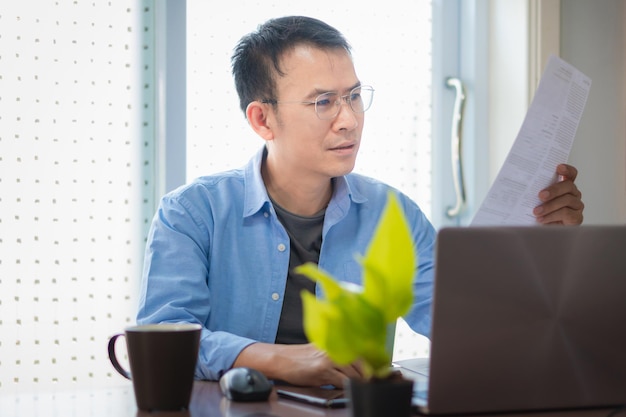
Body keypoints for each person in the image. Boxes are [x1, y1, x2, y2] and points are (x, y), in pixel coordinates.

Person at [137, 16, 585, 389]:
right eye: (323, 102)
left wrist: (543, 247)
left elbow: (473, 329)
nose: (349, 120)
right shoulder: (192, 212)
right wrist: (280, 360)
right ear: (262, 118)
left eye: (353, 96)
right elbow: (164, 337)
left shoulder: (394, 215)